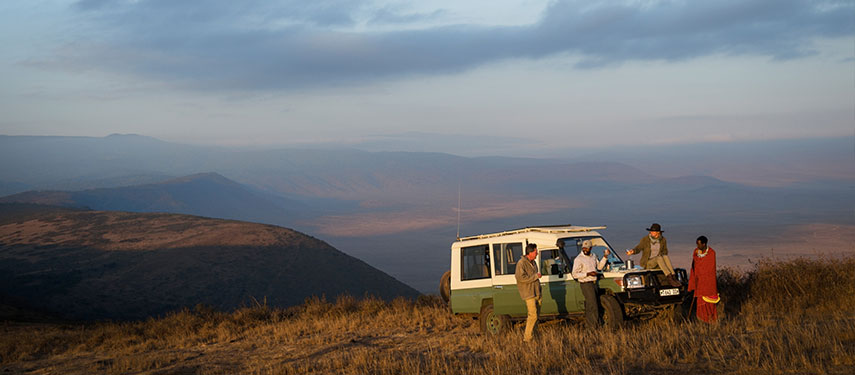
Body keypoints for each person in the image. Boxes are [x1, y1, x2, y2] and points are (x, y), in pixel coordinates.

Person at [572, 239, 609, 328]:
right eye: (583, 248)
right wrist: (588, 274)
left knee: (590, 305)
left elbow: (599, 267)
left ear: (591, 248)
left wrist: (605, 256)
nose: (585, 249)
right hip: (586, 283)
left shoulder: (593, 256)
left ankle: (590, 326)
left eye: (587, 248)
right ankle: (595, 326)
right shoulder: (578, 259)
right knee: (593, 304)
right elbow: (575, 274)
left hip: (594, 282)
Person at [515, 243, 542, 342]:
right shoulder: (521, 263)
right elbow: (520, 278)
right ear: (530, 252)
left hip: (537, 292)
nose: (537, 253)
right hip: (529, 293)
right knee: (533, 315)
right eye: (535, 251)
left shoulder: (534, 263)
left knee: (536, 316)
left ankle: (534, 335)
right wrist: (535, 277)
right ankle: (527, 338)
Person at [689, 235, 719, 323]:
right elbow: (694, 266)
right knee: (700, 302)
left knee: (709, 303)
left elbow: (710, 268)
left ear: (704, 244)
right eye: (697, 244)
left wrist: (702, 274)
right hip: (699, 281)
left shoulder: (711, 253)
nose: (697, 246)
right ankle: (703, 320)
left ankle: (711, 320)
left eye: (699, 244)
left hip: (708, 282)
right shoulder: (696, 252)